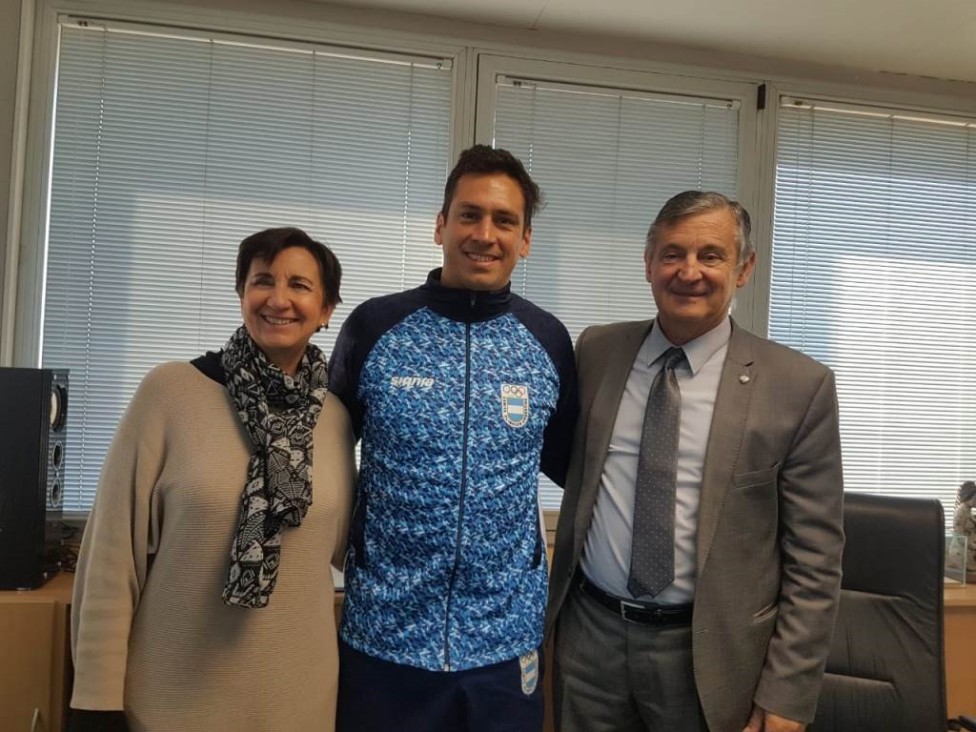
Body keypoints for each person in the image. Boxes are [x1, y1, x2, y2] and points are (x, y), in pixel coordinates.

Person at [547, 191, 844, 732]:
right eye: (672, 253)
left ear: (745, 268)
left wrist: (786, 698)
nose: (689, 271)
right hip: (589, 639)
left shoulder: (799, 386)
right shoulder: (597, 352)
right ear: (647, 263)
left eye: (711, 255)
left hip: (711, 653)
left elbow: (816, 561)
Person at [328, 144, 578, 732]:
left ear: (525, 240)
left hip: (503, 645)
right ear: (441, 225)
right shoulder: (374, 327)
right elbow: (323, 467)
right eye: (469, 214)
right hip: (383, 639)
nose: (484, 234)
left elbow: (576, 470)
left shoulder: (547, 341)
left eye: (504, 220)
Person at [69, 227, 355, 732]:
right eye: (262, 281)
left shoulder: (334, 419)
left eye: (300, 286)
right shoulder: (170, 393)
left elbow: (343, 550)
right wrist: (95, 698)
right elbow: (112, 558)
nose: (279, 299)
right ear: (242, 293)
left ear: (328, 309)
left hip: (300, 704)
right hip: (171, 702)